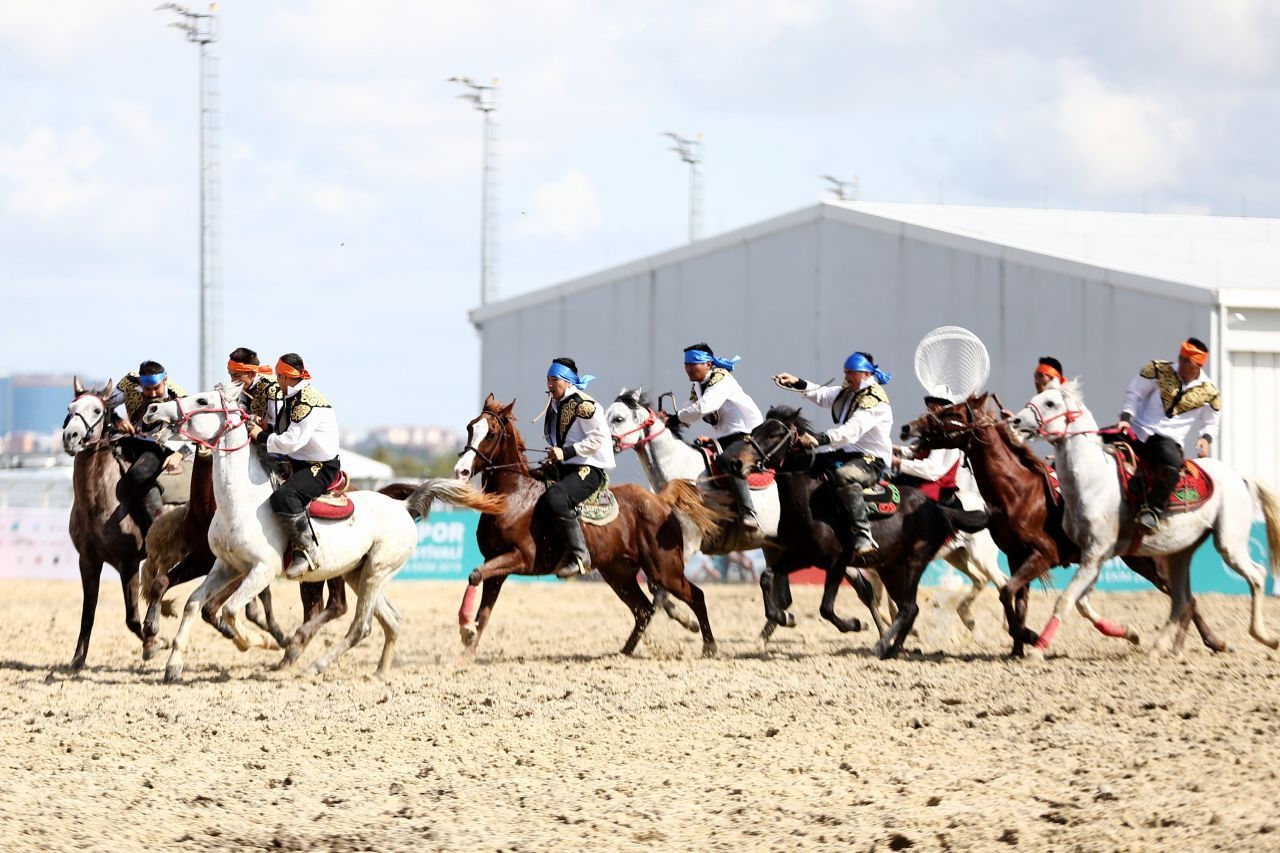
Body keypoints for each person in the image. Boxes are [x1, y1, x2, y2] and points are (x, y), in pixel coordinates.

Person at [773, 351, 893, 557]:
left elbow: (852, 430)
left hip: (870, 460)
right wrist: (796, 382)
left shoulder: (875, 401)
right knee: (797, 464)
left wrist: (819, 439)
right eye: (845, 372)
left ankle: (863, 533)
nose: (846, 376)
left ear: (865, 374)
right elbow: (824, 395)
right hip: (843, 454)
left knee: (844, 476)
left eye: (851, 373)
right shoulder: (850, 391)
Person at [246, 354, 341, 579]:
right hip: (296, 460)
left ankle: (307, 549)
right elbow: (283, 431)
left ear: (283, 377)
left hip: (319, 466)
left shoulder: (306, 401)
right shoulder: (292, 395)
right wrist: (264, 427)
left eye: (278, 377)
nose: (276, 382)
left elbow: (292, 440)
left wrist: (261, 436)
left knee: (284, 497)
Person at [1118, 337, 1220, 531]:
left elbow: (1211, 422)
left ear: (1198, 364)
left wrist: (1206, 439)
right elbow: (1134, 393)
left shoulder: (1210, 392)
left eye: (1186, 361)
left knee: (1173, 466)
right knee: (1097, 440)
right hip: (1137, 430)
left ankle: (1152, 511)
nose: (1180, 363)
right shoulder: (1158, 369)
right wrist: (1125, 417)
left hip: (1167, 439)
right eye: (1180, 358)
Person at [670, 343, 764, 528]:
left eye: (693, 363)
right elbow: (690, 412)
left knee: (730, 461)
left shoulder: (722, 379)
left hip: (748, 435)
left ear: (709, 364)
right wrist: (665, 419)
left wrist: (674, 419)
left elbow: (704, 407)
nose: (688, 368)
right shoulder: (697, 385)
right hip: (726, 438)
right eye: (686, 364)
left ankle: (749, 512)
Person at [539, 357, 616, 578]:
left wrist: (566, 453)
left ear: (568, 381)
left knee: (555, 498)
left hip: (588, 469)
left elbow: (600, 438)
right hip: (565, 466)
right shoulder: (555, 404)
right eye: (547, 380)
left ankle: (580, 555)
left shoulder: (585, 404)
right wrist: (555, 457)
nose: (549, 385)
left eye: (553, 380)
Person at [107, 360, 188, 535]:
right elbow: (105, 406)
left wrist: (179, 455)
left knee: (138, 475)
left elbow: (195, 432)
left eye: (156, 388)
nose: (151, 393)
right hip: (131, 439)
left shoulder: (180, 397)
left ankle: (158, 527)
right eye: (147, 389)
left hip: (161, 445)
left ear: (165, 380)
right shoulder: (129, 382)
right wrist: (118, 421)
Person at [892, 384, 977, 495]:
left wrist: (897, 462)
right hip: (916, 482)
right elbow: (915, 451)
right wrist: (890, 448)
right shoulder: (933, 434)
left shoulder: (949, 437)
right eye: (929, 409)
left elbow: (932, 470)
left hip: (933, 489)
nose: (929, 413)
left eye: (934, 409)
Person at [227, 347, 281, 420]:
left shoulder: (272, 388)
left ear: (252, 373)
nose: (232, 381)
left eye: (236, 376)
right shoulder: (240, 389)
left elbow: (278, 423)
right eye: (231, 375)